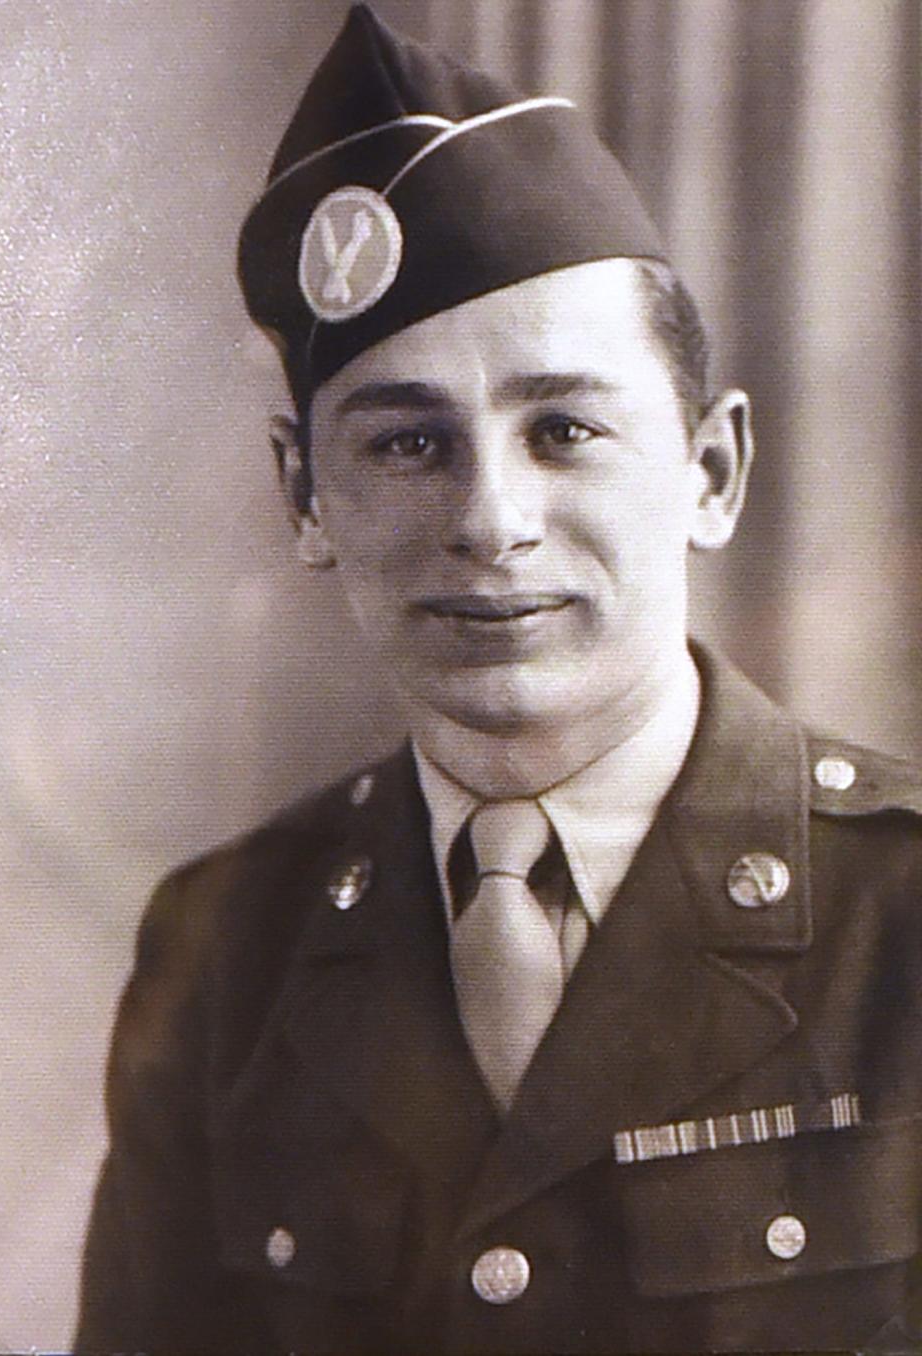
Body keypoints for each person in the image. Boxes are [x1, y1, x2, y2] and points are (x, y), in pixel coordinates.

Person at [74, 6, 922, 1352]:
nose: (492, 521)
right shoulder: (224, 949)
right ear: (304, 496)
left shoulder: (902, 917)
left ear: (711, 472)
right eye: (409, 445)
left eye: (566, 429)